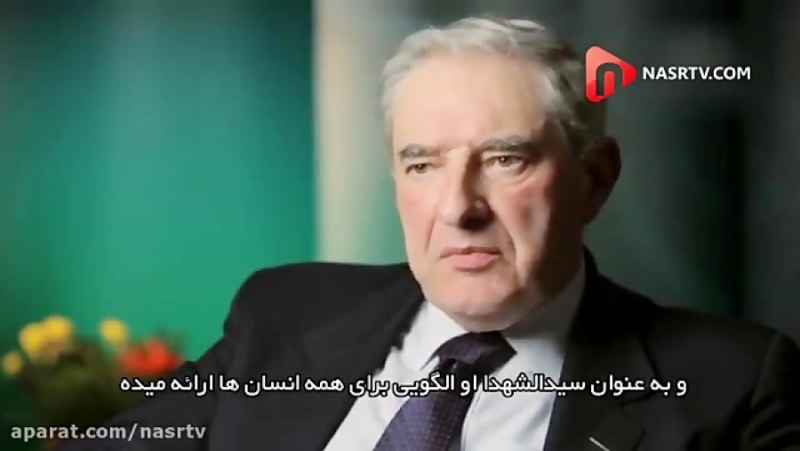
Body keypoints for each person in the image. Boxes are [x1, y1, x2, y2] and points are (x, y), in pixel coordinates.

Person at [63, 16, 799, 451]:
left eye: (505, 159)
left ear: (594, 178)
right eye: (422, 164)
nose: (457, 207)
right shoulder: (283, 312)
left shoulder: (732, 384)